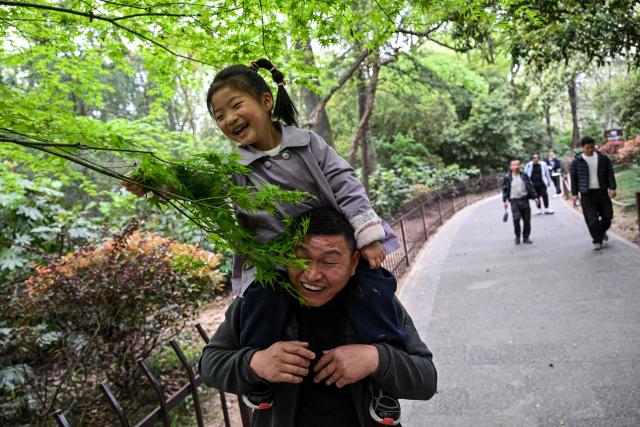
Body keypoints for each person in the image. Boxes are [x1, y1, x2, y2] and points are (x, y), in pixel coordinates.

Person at [124, 58, 404, 422]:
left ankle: (382, 381)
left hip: (329, 252)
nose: (228, 119)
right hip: (273, 263)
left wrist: (367, 236)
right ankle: (260, 384)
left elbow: (346, 185)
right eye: (218, 115)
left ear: (266, 101)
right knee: (261, 300)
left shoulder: (309, 145)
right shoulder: (233, 169)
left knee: (375, 286)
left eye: (235, 105)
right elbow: (194, 186)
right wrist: (154, 183)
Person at [199, 208, 438, 427]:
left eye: (329, 262)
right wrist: (255, 363)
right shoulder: (262, 302)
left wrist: (375, 359)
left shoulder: (374, 302)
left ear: (354, 262)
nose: (312, 275)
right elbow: (209, 364)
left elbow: (426, 378)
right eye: (300, 259)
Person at [570, 136, 617, 251]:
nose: (590, 150)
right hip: (587, 195)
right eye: (587, 148)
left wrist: (612, 187)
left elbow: (609, 173)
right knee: (592, 220)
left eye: (592, 147)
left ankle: (600, 232)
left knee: (608, 216)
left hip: (602, 192)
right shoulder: (577, 161)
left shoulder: (603, 159)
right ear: (582, 148)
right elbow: (573, 178)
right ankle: (597, 240)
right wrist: (575, 194)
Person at [502, 159, 540, 244]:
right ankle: (517, 236)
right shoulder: (507, 177)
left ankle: (526, 237)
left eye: (517, 165)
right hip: (514, 201)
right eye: (514, 165)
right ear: (511, 167)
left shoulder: (524, 175)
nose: (516, 167)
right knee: (516, 219)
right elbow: (505, 189)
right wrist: (505, 201)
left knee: (527, 220)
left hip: (524, 200)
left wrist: (535, 197)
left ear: (520, 166)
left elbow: (530, 186)